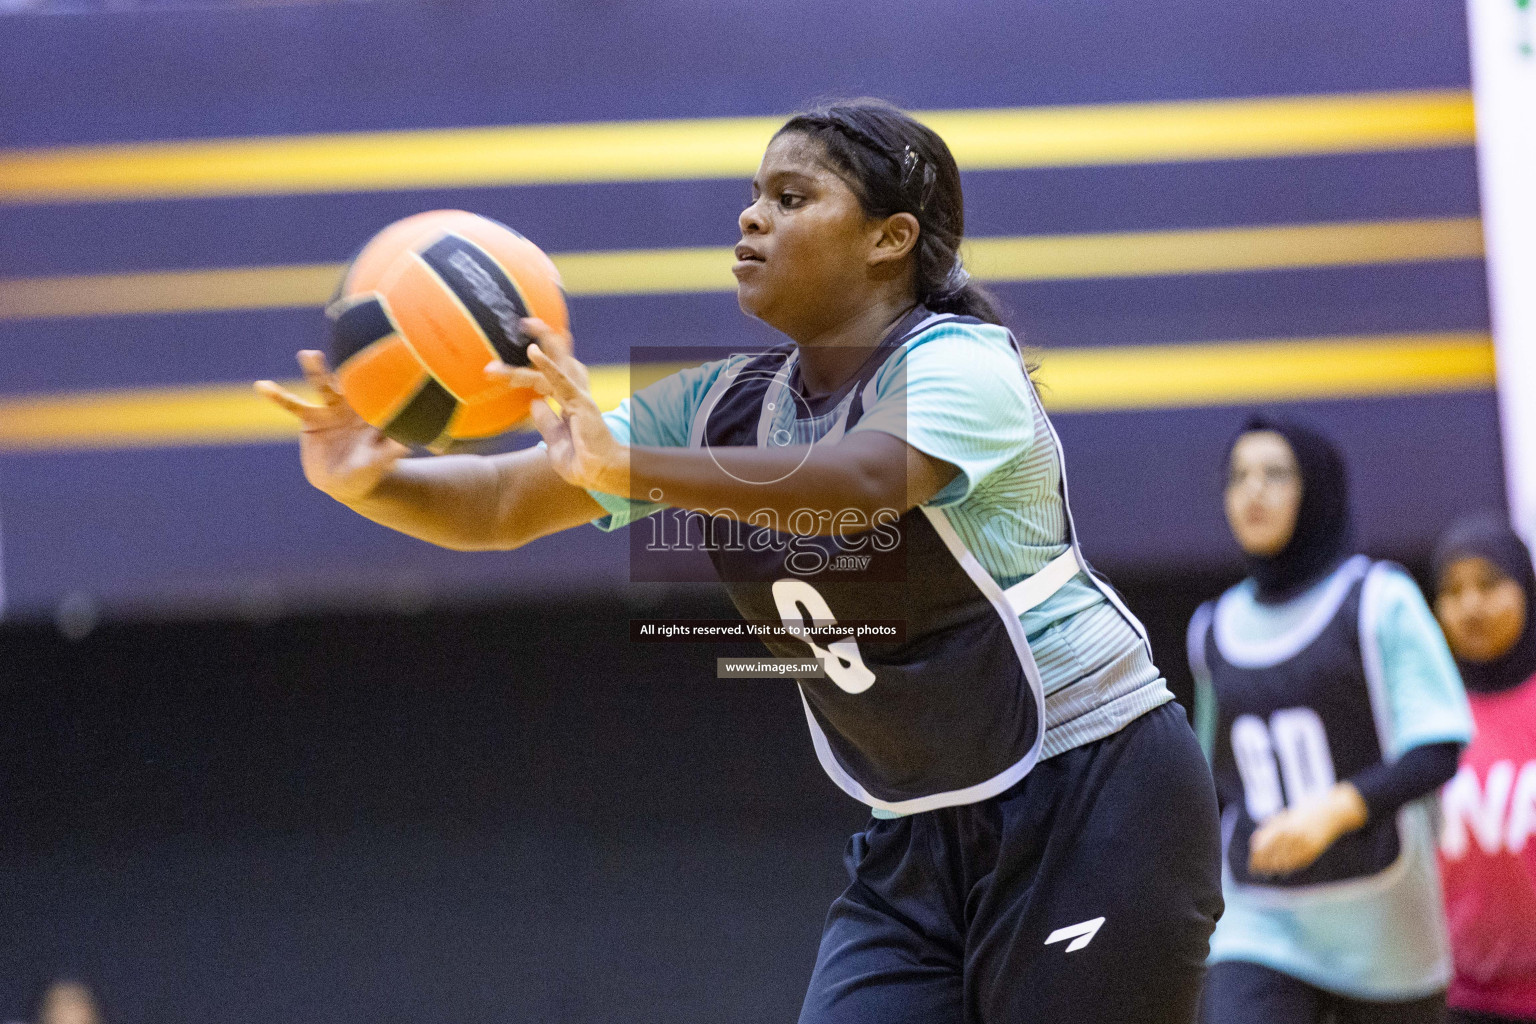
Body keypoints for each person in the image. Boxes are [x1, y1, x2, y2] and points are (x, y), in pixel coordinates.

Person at [257, 99, 1222, 1023]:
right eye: (754, 192)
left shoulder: (964, 364)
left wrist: (631, 464)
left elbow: (862, 485)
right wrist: (367, 483)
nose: (752, 214)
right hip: (915, 830)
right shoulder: (715, 405)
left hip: (1094, 794)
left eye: (792, 197)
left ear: (890, 238)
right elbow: (508, 503)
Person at [1189, 417, 1473, 1023]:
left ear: (1316, 489)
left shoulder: (1377, 598)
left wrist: (1330, 813)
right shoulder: (1212, 628)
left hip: (1384, 926)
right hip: (1258, 922)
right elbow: (1212, 779)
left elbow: (1438, 749)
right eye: (1238, 476)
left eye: (1275, 473)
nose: (1253, 491)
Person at [1433, 512, 1536, 1024]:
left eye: (1490, 583)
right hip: (1452, 1003)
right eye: (1452, 591)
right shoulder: (1421, 720)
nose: (1470, 605)